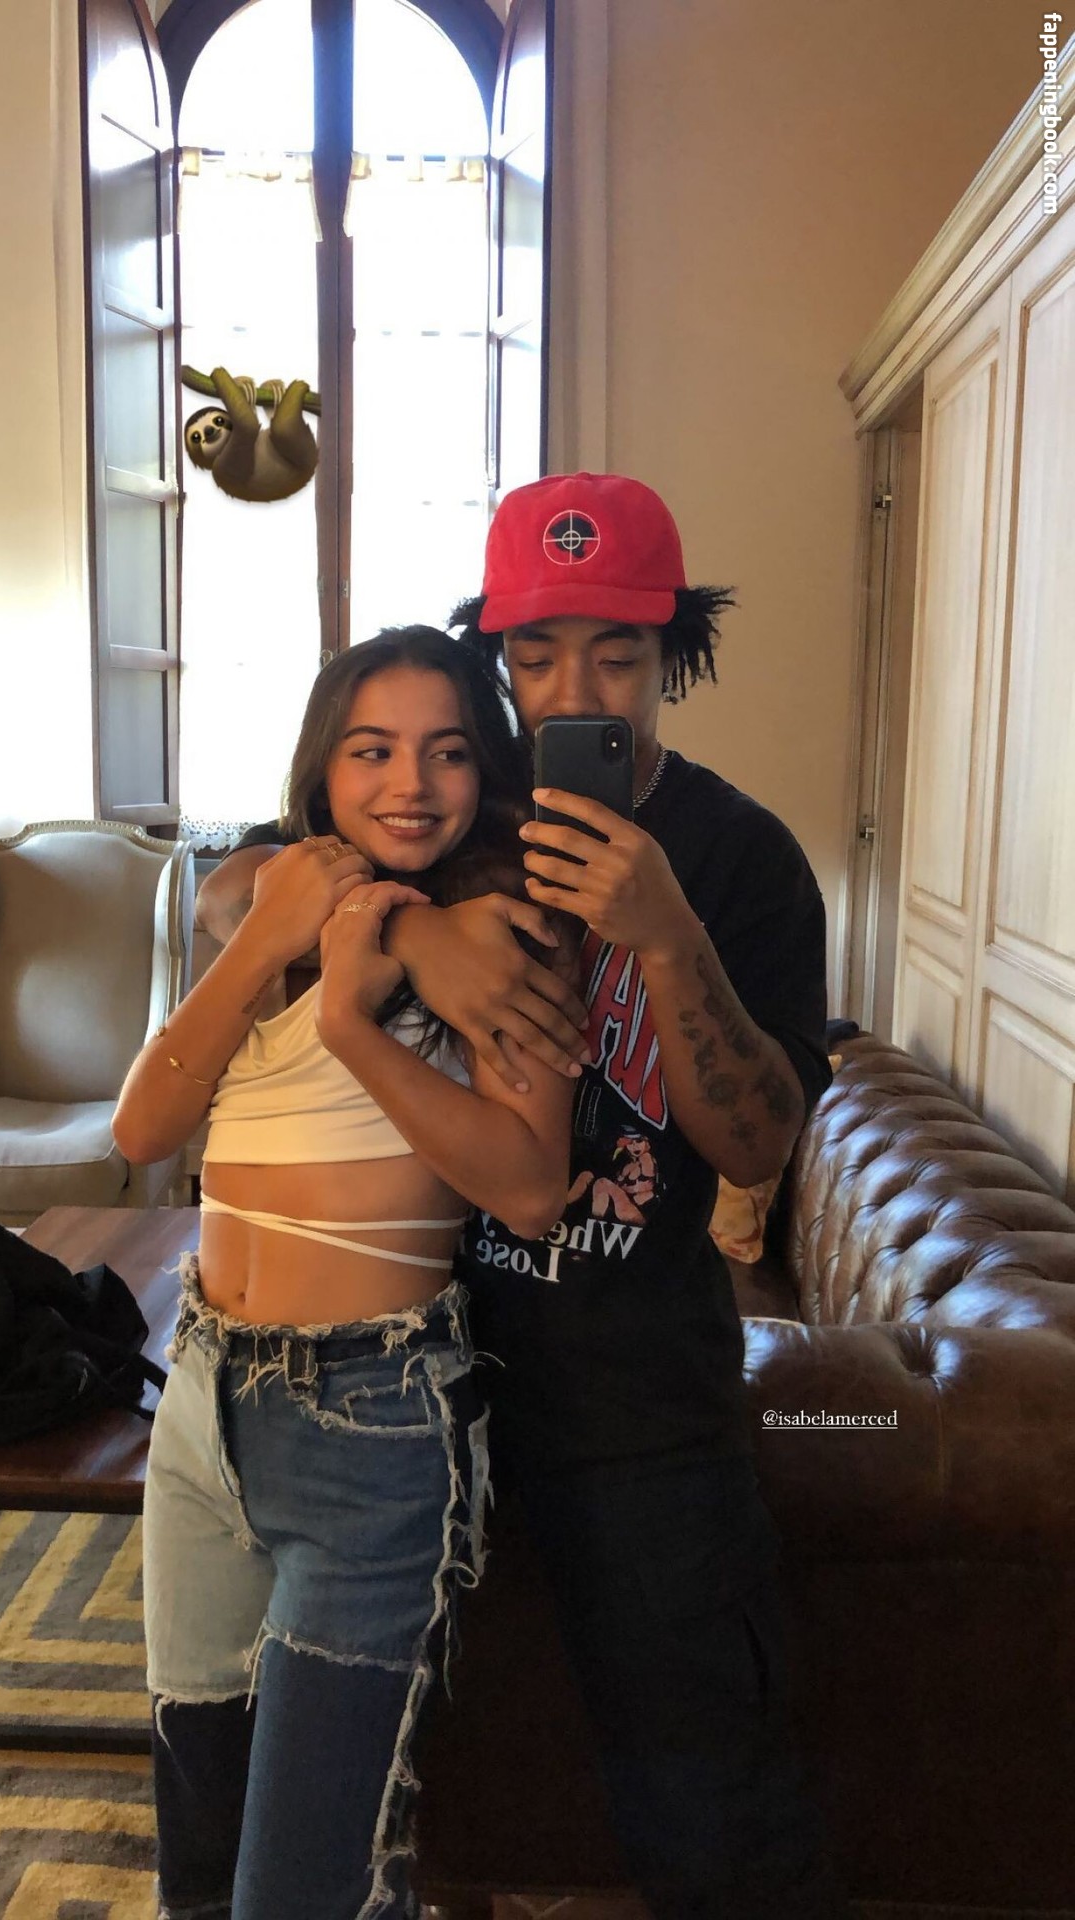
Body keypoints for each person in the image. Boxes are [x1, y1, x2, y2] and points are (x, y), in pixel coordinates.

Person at [199, 475, 845, 1918]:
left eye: (616, 655)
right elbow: (234, 888)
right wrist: (412, 927)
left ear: (670, 653)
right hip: (413, 1389)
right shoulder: (439, 810)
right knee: (422, 1792)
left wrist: (666, 938)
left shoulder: (740, 856)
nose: (574, 690)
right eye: (537, 655)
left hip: (636, 1409)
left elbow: (756, 1144)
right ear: (497, 655)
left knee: (713, 1815)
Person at [114, 625, 573, 1920]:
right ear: (323, 767)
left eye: (447, 752)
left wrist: (350, 1026)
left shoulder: (506, 932)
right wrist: (273, 942)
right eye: (372, 750)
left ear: (486, 769)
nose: (410, 784)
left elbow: (530, 1188)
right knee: (200, 1846)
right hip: (201, 1402)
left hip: (373, 1420)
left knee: (306, 1879)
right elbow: (143, 1132)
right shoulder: (268, 906)